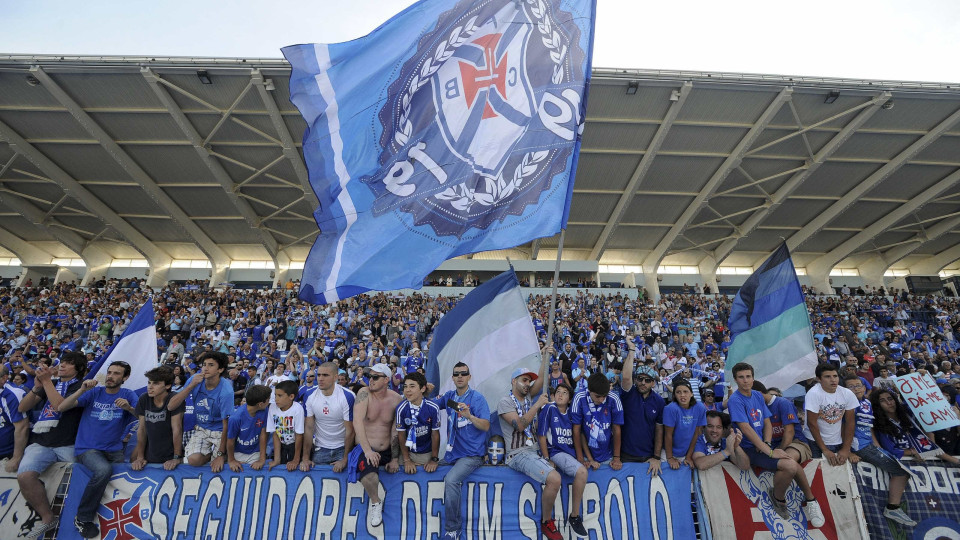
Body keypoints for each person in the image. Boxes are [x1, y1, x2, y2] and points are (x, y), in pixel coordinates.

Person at [727, 362, 824, 527]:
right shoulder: (735, 400)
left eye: (748, 376)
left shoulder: (757, 396)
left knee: (790, 464)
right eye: (741, 377)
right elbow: (746, 428)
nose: (745, 380)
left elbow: (767, 422)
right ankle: (783, 499)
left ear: (753, 378)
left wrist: (767, 443)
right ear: (736, 380)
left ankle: (781, 496)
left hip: (761, 445)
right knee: (791, 466)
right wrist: (770, 452)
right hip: (748, 449)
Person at [57, 360, 137, 538]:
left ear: (125, 377)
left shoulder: (128, 394)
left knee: (128, 477)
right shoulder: (94, 392)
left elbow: (142, 416)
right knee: (103, 470)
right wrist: (82, 389)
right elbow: (62, 407)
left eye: (117, 373)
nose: (111, 376)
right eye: (110, 372)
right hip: (88, 448)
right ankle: (83, 517)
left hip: (115, 449)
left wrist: (128, 408)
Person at [15, 352, 87, 538]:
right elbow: (23, 407)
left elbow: (59, 405)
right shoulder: (52, 384)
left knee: (81, 482)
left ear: (78, 369)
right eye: (62, 362)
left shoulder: (82, 387)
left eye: (68, 363)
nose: (62, 366)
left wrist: (47, 382)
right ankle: (48, 518)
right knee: (25, 477)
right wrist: (37, 387)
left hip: (69, 444)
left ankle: (79, 519)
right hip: (42, 442)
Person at [498, 345, 562, 540]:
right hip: (517, 454)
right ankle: (546, 522)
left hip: (533, 450)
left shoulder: (527, 397)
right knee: (555, 479)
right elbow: (519, 425)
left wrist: (545, 356)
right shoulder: (505, 401)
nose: (528, 384)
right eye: (524, 380)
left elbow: (542, 379)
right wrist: (537, 404)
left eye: (529, 381)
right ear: (514, 381)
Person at [843, 378, 916, 526]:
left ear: (865, 387)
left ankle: (893, 507)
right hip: (859, 447)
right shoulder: (847, 405)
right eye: (851, 387)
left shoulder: (867, 403)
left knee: (902, 471)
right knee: (901, 471)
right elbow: (843, 428)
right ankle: (892, 507)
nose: (856, 389)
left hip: (870, 445)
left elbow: (869, 428)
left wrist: (878, 446)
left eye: (858, 385)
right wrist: (848, 451)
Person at [432, 362, 490, 540]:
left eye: (463, 374)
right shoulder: (450, 398)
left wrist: (470, 416)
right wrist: (425, 391)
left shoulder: (477, 399)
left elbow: (486, 426)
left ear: (469, 377)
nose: (459, 377)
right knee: (424, 464)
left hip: (472, 455)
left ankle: (453, 530)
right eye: (456, 374)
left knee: (451, 480)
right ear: (452, 377)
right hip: (452, 454)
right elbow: (431, 405)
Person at [350, 362, 401, 528]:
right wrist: (367, 451)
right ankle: (375, 502)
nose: (370, 380)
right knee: (369, 474)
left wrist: (394, 458)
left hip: (386, 448)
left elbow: (395, 431)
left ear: (386, 379)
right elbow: (357, 422)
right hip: (366, 448)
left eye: (375, 377)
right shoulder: (364, 393)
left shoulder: (396, 399)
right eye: (369, 376)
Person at [168, 351, 235, 472]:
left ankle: (219, 453)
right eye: (204, 364)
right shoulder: (194, 379)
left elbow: (227, 425)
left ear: (220, 370)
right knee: (193, 460)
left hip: (220, 430)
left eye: (211, 365)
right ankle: (209, 454)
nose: (205, 368)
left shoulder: (226, 391)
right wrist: (190, 386)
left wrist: (220, 454)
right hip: (202, 429)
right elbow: (171, 406)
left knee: (218, 467)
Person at [537, 383, 588, 537]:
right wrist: (546, 458)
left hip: (570, 452)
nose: (560, 395)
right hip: (556, 452)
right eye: (558, 392)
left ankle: (574, 516)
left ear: (570, 398)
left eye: (564, 393)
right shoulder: (550, 408)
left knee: (584, 468)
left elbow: (578, 435)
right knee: (582, 472)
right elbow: (542, 435)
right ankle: (574, 516)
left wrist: (585, 457)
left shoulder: (572, 413)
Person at [619, 340, 664, 474]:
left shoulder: (659, 401)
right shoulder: (629, 393)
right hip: (625, 455)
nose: (643, 383)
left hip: (648, 457)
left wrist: (656, 457)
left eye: (648, 380)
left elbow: (659, 430)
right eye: (640, 379)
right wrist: (632, 350)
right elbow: (626, 378)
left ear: (653, 384)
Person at [301, 362, 355, 471]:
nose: (320, 378)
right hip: (320, 448)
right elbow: (309, 428)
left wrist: (345, 459)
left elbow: (351, 430)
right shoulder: (309, 395)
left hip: (342, 448)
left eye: (325, 375)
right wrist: (305, 458)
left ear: (335, 377)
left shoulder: (347, 396)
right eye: (319, 375)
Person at [131, 366, 184, 471]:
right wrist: (140, 457)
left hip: (170, 454)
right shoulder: (144, 398)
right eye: (149, 382)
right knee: (133, 461)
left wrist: (176, 457)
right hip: (150, 451)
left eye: (156, 383)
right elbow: (142, 429)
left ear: (168, 385)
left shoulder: (175, 399)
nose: (150, 387)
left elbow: (177, 429)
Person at [804, 363, 858, 464]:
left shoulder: (847, 393)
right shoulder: (813, 393)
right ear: (819, 379)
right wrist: (824, 449)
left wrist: (846, 449)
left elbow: (850, 422)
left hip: (837, 440)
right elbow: (811, 423)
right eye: (827, 377)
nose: (833, 380)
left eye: (835, 376)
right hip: (814, 441)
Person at [571, 372, 624, 471]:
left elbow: (617, 429)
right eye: (598, 396)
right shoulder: (579, 397)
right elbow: (576, 430)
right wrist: (580, 458)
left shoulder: (614, 398)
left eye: (604, 396)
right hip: (586, 454)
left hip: (608, 454)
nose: (601, 399)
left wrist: (617, 457)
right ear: (589, 390)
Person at [395, 372, 440, 473]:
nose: (407, 390)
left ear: (422, 389)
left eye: (412, 386)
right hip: (407, 452)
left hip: (425, 452)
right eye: (405, 386)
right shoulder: (401, 408)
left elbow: (435, 434)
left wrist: (434, 459)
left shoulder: (433, 407)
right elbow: (401, 435)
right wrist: (407, 460)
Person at [760, 384, 812, 465]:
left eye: (776, 395)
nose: (774, 397)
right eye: (771, 395)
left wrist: (779, 451)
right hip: (772, 446)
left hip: (795, 442)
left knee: (786, 462)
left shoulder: (783, 403)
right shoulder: (758, 408)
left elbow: (789, 432)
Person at [663, 379, 706, 469]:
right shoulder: (670, 408)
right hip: (669, 452)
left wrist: (689, 456)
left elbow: (696, 433)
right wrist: (670, 458)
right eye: (678, 392)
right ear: (674, 395)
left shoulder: (700, 407)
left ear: (691, 394)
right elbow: (668, 435)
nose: (682, 395)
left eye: (685, 391)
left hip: (686, 452)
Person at [226, 384, 270, 471]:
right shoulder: (236, 418)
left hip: (256, 452)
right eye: (268, 400)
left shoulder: (264, 411)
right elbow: (230, 441)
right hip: (238, 453)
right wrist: (231, 460)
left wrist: (262, 459)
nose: (270, 401)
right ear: (260, 404)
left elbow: (263, 434)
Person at [268, 380, 305, 471]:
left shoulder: (297, 409)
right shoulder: (272, 407)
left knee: (294, 469)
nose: (276, 399)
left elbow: (299, 435)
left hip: (295, 446)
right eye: (275, 395)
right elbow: (276, 433)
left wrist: (296, 459)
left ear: (291, 396)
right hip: (281, 446)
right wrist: (277, 459)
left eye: (280, 396)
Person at [0, 364, 29, 472]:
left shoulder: (13, 395)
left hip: (6, 453)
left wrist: (16, 457)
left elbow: (22, 427)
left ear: (4, 378)